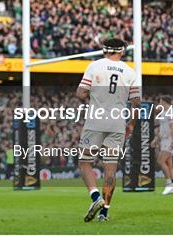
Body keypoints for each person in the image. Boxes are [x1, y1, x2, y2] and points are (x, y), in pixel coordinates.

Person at [76, 38, 140, 222]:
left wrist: (91, 101)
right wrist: (132, 124)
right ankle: (104, 213)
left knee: (85, 162)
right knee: (110, 169)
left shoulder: (95, 66)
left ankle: (96, 197)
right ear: (121, 51)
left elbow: (80, 92)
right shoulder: (129, 72)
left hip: (96, 121)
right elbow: (136, 102)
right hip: (117, 123)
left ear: (104, 50)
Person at [156, 95, 173, 195]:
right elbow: (162, 129)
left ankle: (168, 184)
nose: (159, 104)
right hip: (164, 140)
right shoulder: (163, 113)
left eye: (160, 101)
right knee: (169, 164)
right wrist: (156, 140)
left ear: (165, 102)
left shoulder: (171, 112)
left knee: (160, 161)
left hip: (169, 140)